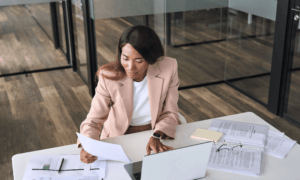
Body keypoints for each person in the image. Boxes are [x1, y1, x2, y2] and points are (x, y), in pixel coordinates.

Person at [78, 25, 180, 164]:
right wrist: (88, 146)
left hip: (153, 131)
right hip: (119, 136)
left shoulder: (169, 67)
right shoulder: (107, 76)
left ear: (151, 58)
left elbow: (170, 112)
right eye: (125, 58)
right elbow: (94, 120)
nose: (130, 67)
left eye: (139, 61)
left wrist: (156, 135)